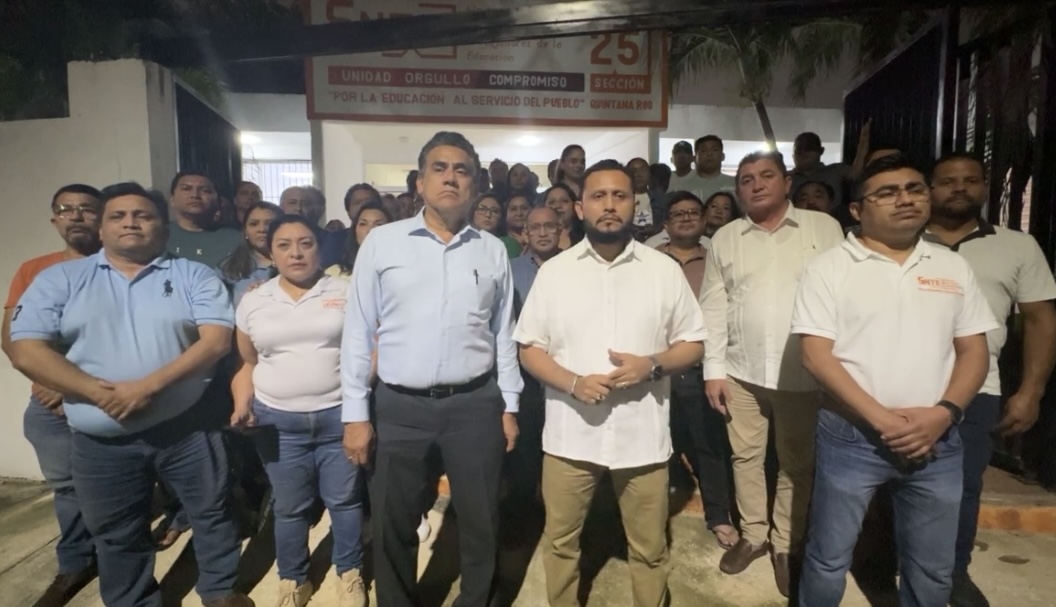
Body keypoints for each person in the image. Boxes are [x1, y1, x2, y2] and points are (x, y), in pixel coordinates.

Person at [7, 182, 250, 607]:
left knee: (212, 512)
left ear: (163, 227)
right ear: (101, 228)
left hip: (186, 428)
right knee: (117, 530)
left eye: (143, 215)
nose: (131, 223)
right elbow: (25, 348)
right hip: (102, 438)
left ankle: (219, 590)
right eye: (118, 216)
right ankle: (133, 600)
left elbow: (214, 342)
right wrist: (96, 393)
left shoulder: (193, 274)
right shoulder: (61, 279)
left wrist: (146, 388)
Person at [792, 154, 998, 606]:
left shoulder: (950, 266)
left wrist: (944, 414)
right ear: (857, 209)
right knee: (828, 557)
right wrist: (882, 419)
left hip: (937, 438)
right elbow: (816, 356)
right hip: (852, 436)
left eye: (914, 189)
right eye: (887, 193)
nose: (904, 200)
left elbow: (974, 351)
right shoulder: (829, 268)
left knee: (932, 566)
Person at [341, 131, 522, 607]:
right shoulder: (382, 243)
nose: (451, 178)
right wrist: (355, 414)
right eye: (439, 168)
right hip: (399, 407)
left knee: (481, 521)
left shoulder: (492, 250)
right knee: (393, 522)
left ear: (475, 185)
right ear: (419, 183)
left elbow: (503, 333)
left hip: (475, 405)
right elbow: (358, 331)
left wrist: (509, 405)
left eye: (462, 170)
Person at [515, 160, 706, 606]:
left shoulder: (662, 270)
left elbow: (694, 343)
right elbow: (529, 348)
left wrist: (652, 366)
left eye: (619, 195)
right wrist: (573, 382)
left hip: (642, 437)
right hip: (570, 437)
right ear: (579, 208)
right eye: (598, 196)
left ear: (634, 205)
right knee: (561, 543)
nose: (609, 205)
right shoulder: (556, 272)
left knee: (650, 549)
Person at [700, 151, 844, 597]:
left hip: (802, 373)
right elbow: (714, 305)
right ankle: (754, 535)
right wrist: (713, 370)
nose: (757, 185)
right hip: (740, 370)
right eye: (746, 180)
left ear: (786, 182)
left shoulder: (824, 229)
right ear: (737, 189)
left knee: (796, 464)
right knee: (744, 457)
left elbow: (843, 298)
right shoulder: (726, 237)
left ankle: (786, 543)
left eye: (766, 176)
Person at [923, 153, 1056, 607]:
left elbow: (1040, 319)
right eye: (947, 181)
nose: (959, 188)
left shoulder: (1017, 246)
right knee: (889, 482)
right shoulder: (899, 239)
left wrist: (1031, 390)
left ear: (985, 186)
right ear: (930, 188)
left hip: (977, 389)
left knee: (962, 487)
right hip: (900, 383)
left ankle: (954, 571)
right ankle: (889, 560)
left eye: (970, 180)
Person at [232, 215, 367, 607]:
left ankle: (350, 572)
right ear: (271, 253)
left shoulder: (345, 291)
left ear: (319, 248)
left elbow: (368, 349)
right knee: (290, 507)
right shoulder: (254, 300)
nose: (296, 252)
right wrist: (242, 403)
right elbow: (248, 362)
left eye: (305, 243)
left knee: (344, 501)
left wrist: (360, 404)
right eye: (284, 245)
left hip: (338, 416)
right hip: (278, 422)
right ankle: (293, 579)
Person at [2, 184, 102, 607]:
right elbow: (13, 338)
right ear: (54, 218)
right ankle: (76, 562)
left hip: (104, 396)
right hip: (48, 401)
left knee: (118, 483)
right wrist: (50, 383)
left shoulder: (121, 267)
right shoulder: (34, 270)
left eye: (87, 209)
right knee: (66, 488)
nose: (76, 216)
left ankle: (120, 556)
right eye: (66, 209)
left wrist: (74, 386)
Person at [657, 191, 738, 549]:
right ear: (665, 224)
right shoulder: (649, 260)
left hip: (701, 365)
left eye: (693, 212)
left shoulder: (717, 259)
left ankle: (718, 515)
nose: (687, 218)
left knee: (709, 444)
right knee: (657, 443)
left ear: (705, 221)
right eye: (678, 214)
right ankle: (655, 512)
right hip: (657, 365)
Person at [219, 201, 282, 306]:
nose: (262, 229)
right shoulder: (227, 269)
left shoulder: (297, 263)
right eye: (254, 224)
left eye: (269, 224)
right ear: (245, 231)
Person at [327, 202, 393, 278]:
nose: (370, 230)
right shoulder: (335, 273)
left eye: (379, 224)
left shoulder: (399, 270)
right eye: (363, 224)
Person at [543, 184, 584, 250]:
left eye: (564, 201)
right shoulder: (536, 239)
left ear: (575, 206)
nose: (557, 206)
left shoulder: (587, 237)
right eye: (551, 202)